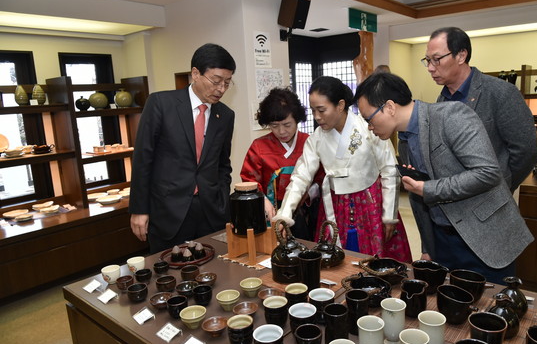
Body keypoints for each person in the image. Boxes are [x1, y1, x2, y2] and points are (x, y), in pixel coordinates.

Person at [355, 72, 534, 284]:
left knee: (490, 308)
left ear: (390, 107)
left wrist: (429, 189)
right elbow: (417, 196)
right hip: (443, 242)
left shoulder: (451, 115)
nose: (369, 126)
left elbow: (488, 172)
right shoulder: (403, 140)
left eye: (369, 118)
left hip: (484, 237)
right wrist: (428, 248)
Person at [273, 76, 412, 262]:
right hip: (335, 205)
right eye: (313, 110)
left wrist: (389, 216)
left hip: (370, 203)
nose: (317, 117)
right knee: (335, 261)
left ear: (340, 105)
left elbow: (389, 170)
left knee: (375, 260)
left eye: (321, 110)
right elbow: (301, 176)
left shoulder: (369, 128)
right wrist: (285, 213)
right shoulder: (316, 139)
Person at [129, 43, 236, 253]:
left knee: (216, 273)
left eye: (227, 82)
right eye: (216, 81)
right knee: (171, 275)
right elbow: (143, 160)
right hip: (169, 212)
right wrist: (139, 209)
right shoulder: (161, 104)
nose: (221, 89)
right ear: (195, 73)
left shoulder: (225, 115)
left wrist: (222, 199)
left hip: (211, 212)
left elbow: (223, 165)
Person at [423, 26, 537, 193]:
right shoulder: (442, 100)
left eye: (437, 59)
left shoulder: (501, 93)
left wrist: (501, 186)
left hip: (492, 199)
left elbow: (526, 152)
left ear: (461, 56)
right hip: (455, 197)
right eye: (427, 60)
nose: (430, 68)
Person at [240, 87, 321, 240]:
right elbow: (249, 180)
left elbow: (320, 178)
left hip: (304, 210)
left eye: (287, 124)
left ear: (297, 119)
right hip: (269, 209)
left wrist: (307, 195)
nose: (281, 131)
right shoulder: (259, 146)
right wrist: (263, 200)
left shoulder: (309, 142)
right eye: (274, 126)